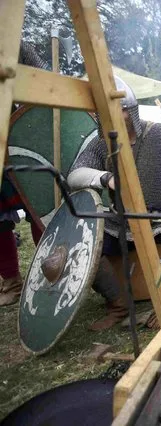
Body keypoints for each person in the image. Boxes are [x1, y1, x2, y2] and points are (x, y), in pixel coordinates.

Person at [68, 76, 161, 330]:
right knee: (87, 242)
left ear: (130, 110)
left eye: (120, 111)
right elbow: (74, 175)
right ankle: (118, 305)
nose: (113, 116)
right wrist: (106, 178)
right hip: (123, 221)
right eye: (105, 112)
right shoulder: (102, 143)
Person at [0, 41, 49, 306]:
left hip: (21, 137)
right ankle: (11, 280)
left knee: (38, 209)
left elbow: (45, 86)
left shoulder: (18, 46)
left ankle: (46, 275)